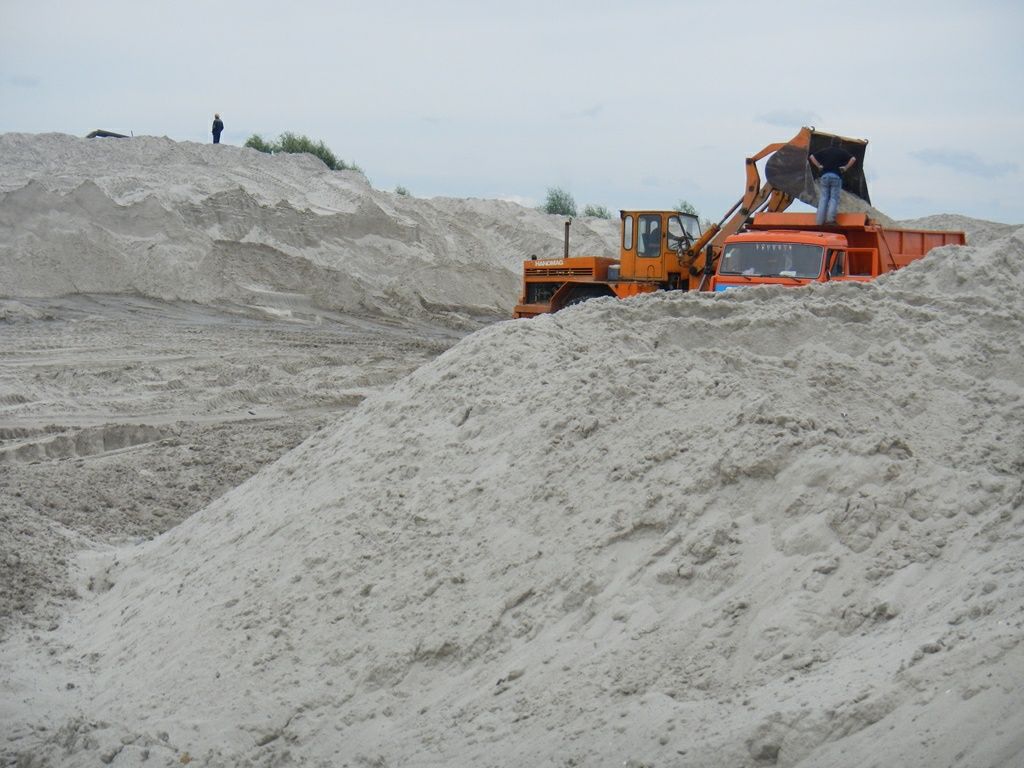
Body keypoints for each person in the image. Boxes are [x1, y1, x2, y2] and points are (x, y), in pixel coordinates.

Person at [809, 143, 855, 225]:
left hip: (824, 177)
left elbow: (811, 156)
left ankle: (819, 221)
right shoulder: (841, 152)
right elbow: (853, 159)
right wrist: (845, 168)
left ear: (831, 143)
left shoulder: (825, 151)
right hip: (835, 177)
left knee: (823, 198)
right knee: (833, 198)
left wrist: (819, 166)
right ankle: (830, 220)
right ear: (840, 144)